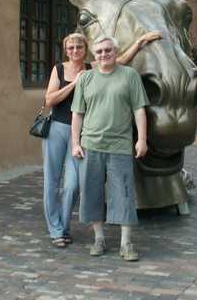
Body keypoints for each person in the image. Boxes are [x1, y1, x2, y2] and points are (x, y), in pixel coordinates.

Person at [42, 32, 159, 248]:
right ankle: (56, 230)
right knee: (51, 181)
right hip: (59, 127)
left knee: (73, 184)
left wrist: (140, 43)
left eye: (78, 47)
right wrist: (73, 84)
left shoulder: (91, 67)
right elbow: (49, 100)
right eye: (70, 47)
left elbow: (118, 61)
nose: (74, 50)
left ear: (85, 49)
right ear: (65, 50)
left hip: (83, 133)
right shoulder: (60, 69)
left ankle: (65, 226)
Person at [71, 35, 149, 261]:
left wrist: (141, 139)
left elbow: (139, 110)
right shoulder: (85, 79)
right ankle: (99, 238)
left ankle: (126, 243)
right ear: (93, 55)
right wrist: (75, 143)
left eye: (108, 50)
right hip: (90, 145)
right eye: (99, 52)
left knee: (123, 193)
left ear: (115, 52)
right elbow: (77, 114)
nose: (104, 54)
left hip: (120, 145)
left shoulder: (129, 76)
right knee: (91, 192)